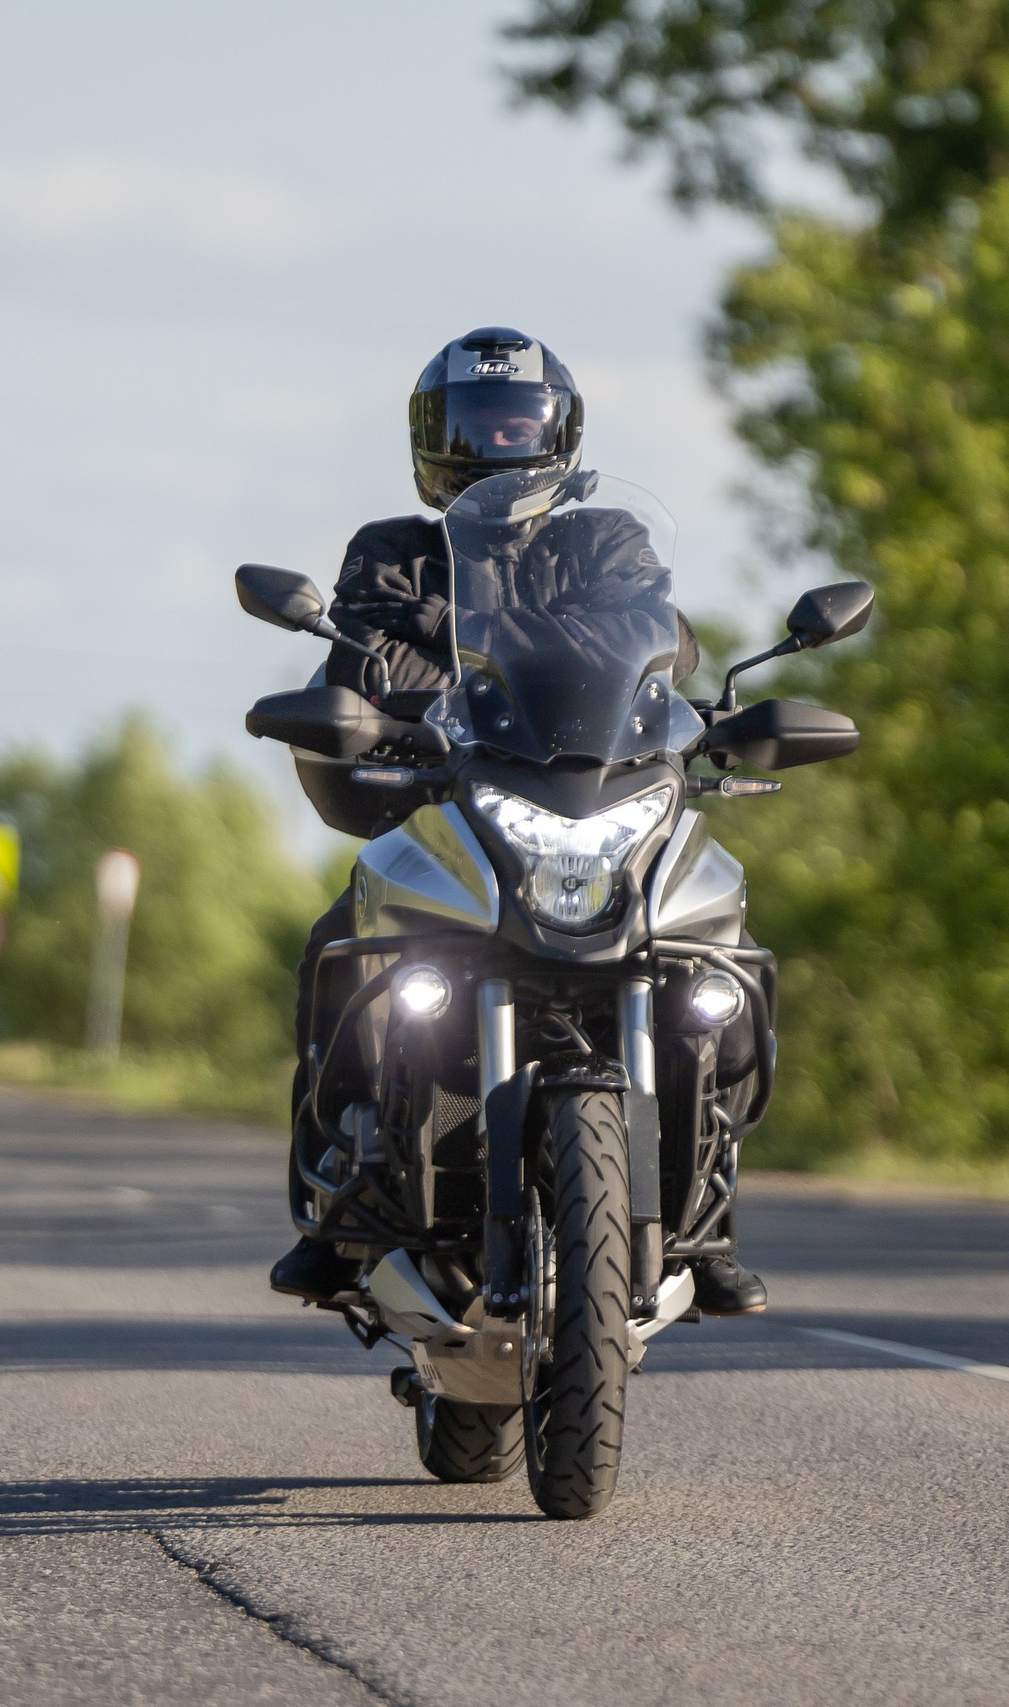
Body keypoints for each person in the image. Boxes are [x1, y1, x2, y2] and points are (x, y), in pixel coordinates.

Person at [269, 327, 769, 1316]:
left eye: (515, 424)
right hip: (450, 804)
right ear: (432, 439)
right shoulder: (390, 551)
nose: (493, 447)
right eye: (472, 426)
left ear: (559, 436)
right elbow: (366, 666)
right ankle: (338, 1208)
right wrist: (373, 707)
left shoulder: (611, 540)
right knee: (343, 952)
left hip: (589, 794)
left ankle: (704, 1220)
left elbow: (650, 646)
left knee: (716, 960)